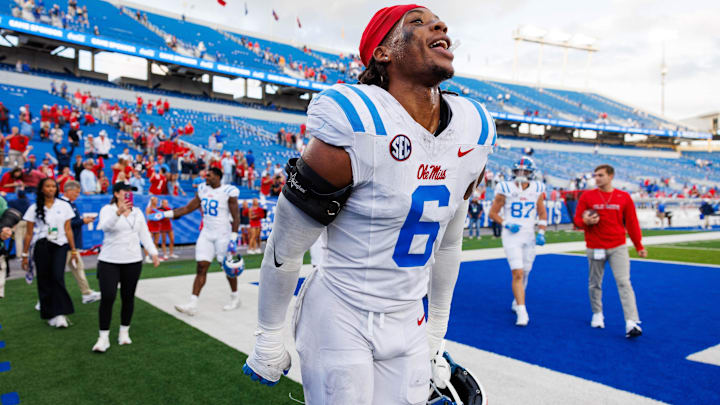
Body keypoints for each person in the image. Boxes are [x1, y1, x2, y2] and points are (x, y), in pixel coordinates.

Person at [244, 5, 495, 404]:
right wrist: (269, 334)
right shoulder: (357, 122)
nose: (439, 25)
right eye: (417, 22)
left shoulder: (472, 129)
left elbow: (448, 244)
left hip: (409, 316)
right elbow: (286, 245)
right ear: (383, 51)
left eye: (438, 21)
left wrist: (435, 334)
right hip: (342, 312)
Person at [153, 167, 241, 314]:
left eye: (210, 175)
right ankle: (192, 304)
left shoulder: (228, 191)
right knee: (201, 266)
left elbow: (236, 217)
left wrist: (233, 237)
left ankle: (235, 297)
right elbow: (188, 208)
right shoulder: (202, 189)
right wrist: (164, 214)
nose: (206, 177)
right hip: (206, 233)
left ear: (218, 177)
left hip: (223, 234)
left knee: (226, 267)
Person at [573, 164, 646, 338]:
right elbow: (576, 219)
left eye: (600, 175)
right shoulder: (588, 196)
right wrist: (586, 222)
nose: (597, 178)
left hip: (617, 246)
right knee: (595, 283)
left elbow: (632, 223)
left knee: (624, 282)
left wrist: (639, 246)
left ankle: (631, 322)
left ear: (610, 176)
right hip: (595, 245)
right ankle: (597, 313)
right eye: (595, 175)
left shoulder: (623, 197)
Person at [92, 183, 160, 352]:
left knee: (128, 297)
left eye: (131, 192)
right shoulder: (107, 209)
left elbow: (144, 233)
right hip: (109, 260)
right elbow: (105, 227)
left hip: (133, 260)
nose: (129, 194)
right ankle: (103, 337)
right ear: (116, 193)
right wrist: (118, 212)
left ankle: (124, 332)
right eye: (125, 191)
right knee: (108, 297)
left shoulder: (137, 212)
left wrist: (153, 252)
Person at [488, 157, 547, 326]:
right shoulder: (504, 188)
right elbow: (492, 213)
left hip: (529, 235)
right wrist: (506, 223)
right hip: (511, 235)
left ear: (531, 173)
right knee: (518, 273)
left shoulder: (537, 189)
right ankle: (522, 310)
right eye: (518, 171)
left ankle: (517, 300)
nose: (521, 174)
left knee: (526, 271)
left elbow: (542, 214)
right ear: (513, 172)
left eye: (525, 171)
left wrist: (541, 232)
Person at [21, 178, 79, 328]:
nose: (51, 189)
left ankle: (61, 313)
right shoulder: (33, 208)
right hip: (41, 245)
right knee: (44, 279)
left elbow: (68, 230)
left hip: (60, 245)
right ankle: (49, 314)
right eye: (48, 186)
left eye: (54, 186)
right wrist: (24, 254)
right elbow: (28, 234)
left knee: (57, 276)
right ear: (42, 189)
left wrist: (73, 250)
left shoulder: (64, 206)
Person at [62, 180, 101, 304]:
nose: (78, 195)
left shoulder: (70, 204)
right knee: (57, 273)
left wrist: (82, 220)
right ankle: (44, 299)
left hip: (71, 243)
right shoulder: (63, 204)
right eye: (76, 192)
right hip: (65, 243)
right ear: (68, 191)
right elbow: (66, 224)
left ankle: (86, 293)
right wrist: (82, 221)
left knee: (78, 268)